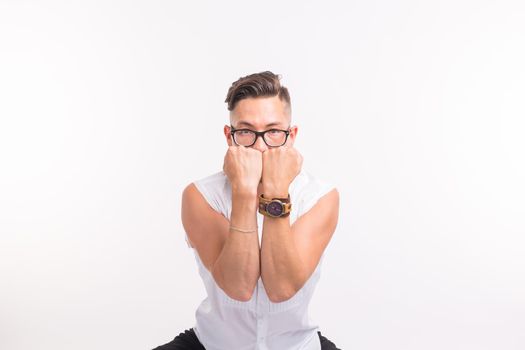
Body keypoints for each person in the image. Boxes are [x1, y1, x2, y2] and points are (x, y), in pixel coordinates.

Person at [153, 71, 341, 350]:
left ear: (292, 136)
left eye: (274, 131)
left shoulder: (320, 197)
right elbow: (238, 288)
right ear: (230, 137)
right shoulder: (200, 195)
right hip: (211, 344)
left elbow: (281, 289)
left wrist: (276, 190)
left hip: (299, 345)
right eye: (246, 132)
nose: (261, 146)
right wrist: (244, 191)